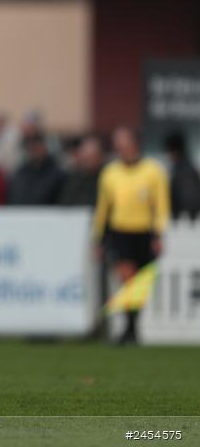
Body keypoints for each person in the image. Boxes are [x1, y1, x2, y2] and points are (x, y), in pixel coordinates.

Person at [93, 127, 170, 344]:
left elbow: (161, 205)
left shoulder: (153, 171)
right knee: (127, 279)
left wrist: (158, 234)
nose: (119, 147)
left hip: (144, 231)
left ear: (134, 144)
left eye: (123, 142)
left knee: (139, 284)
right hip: (121, 231)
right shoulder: (110, 173)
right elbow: (103, 209)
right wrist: (99, 238)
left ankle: (131, 329)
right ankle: (130, 329)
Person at [6, 131, 66, 205]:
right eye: (31, 147)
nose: (34, 150)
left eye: (37, 146)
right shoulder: (21, 172)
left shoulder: (58, 175)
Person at [58, 135, 104, 206]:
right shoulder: (71, 180)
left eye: (92, 157)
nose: (89, 161)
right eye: (86, 157)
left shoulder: (107, 178)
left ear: (100, 157)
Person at [163, 132, 200, 222]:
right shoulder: (182, 168)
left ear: (174, 151)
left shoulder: (183, 170)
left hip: (184, 223)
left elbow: (191, 199)